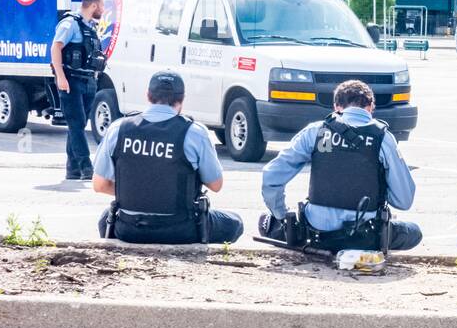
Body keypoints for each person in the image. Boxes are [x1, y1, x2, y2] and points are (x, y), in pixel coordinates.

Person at [259, 79, 421, 252]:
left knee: (265, 222)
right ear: (371, 107)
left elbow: (271, 176)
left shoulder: (316, 131)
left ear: (336, 106)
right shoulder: (384, 139)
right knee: (414, 232)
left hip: (315, 234)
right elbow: (404, 201)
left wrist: (282, 216)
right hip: (365, 236)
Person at [91, 71, 243, 244]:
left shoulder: (118, 129)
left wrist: (140, 191)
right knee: (235, 223)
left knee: (106, 219)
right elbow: (215, 185)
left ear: (148, 95)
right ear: (182, 99)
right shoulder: (194, 132)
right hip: (180, 229)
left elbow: (99, 184)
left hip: (129, 229)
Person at [51, 0, 106, 181]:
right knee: (76, 123)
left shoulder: (89, 26)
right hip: (71, 80)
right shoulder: (70, 24)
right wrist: (60, 76)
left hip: (88, 80)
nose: (103, 10)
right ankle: (86, 168)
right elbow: (56, 46)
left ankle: (72, 169)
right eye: (102, 6)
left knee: (79, 125)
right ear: (93, 6)